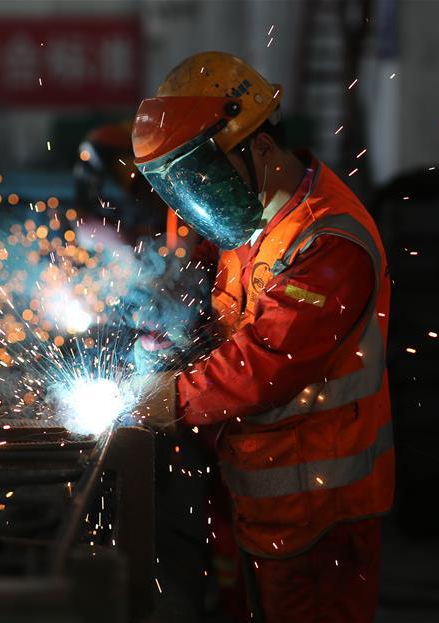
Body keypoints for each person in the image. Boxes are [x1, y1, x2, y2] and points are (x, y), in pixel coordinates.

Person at [130, 51, 394, 622]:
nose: (202, 200)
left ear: (263, 148)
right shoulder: (248, 218)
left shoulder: (328, 241)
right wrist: (168, 315)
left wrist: (170, 398)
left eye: (208, 180)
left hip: (321, 513)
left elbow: (269, 359)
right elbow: (219, 295)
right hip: (257, 498)